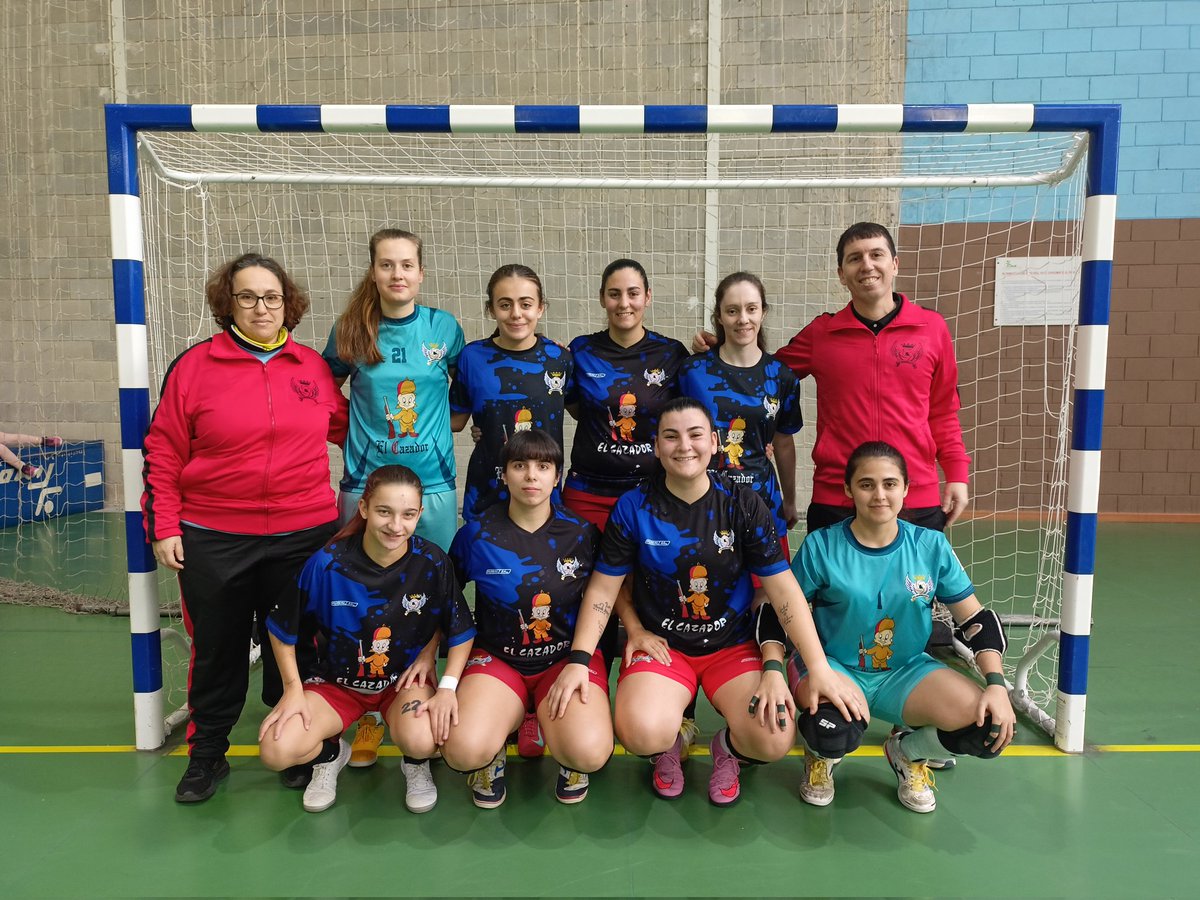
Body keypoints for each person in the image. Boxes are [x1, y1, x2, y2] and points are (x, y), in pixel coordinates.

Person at [545, 398, 865, 807]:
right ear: (656, 446)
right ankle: (668, 744)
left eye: (695, 435)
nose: (684, 446)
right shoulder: (633, 506)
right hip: (664, 649)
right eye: (671, 436)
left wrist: (817, 667)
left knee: (772, 738)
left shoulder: (743, 503)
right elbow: (604, 590)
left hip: (731, 647)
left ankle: (727, 749)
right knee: (641, 731)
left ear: (714, 442)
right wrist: (578, 659)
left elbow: (783, 591)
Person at [141, 252, 348, 803]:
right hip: (214, 534)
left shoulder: (311, 367)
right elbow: (163, 450)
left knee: (300, 646)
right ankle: (208, 752)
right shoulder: (194, 367)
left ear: (288, 303)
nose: (261, 307)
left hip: (304, 533)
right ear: (227, 303)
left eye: (272, 297)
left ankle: (297, 741)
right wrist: (164, 524)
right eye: (248, 296)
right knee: (218, 648)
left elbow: (350, 428)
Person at [693, 222, 970, 535]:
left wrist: (957, 474)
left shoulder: (931, 329)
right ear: (841, 274)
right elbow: (762, 372)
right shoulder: (822, 334)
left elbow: (943, 412)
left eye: (876, 254)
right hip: (836, 497)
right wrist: (722, 352)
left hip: (914, 495)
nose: (867, 265)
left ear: (894, 264)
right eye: (855, 258)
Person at [786, 441, 1015, 814]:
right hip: (836, 668)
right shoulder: (821, 546)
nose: (879, 495)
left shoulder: (930, 546)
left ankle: (908, 753)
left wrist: (997, 685)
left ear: (906, 488)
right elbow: (783, 612)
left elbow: (976, 621)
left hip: (905, 673)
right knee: (831, 730)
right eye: (867, 484)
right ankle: (820, 757)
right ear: (848, 489)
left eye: (890, 484)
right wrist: (780, 668)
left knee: (989, 725)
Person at [322, 228, 465, 768]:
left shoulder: (444, 328)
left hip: (433, 486)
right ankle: (367, 713)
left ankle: (427, 694)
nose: (397, 274)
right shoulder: (351, 330)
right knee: (366, 597)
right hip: (366, 484)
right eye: (386, 265)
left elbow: (462, 394)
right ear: (374, 272)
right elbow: (321, 389)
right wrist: (352, 433)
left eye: (406, 265)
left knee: (432, 590)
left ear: (421, 273)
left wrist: (447, 429)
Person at [258, 465, 476, 814]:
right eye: (384, 512)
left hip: (401, 685)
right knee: (276, 750)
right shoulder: (327, 563)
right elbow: (281, 628)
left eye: (408, 514)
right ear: (363, 508)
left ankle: (415, 763)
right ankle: (331, 755)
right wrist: (293, 689)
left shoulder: (432, 562)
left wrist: (447, 686)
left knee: (424, 739)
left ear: (420, 513)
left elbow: (460, 628)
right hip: (336, 685)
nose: (395, 525)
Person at [560, 258, 697, 757]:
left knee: (654, 591)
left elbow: (692, 411)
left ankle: (675, 713)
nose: (624, 303)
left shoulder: (672, 354)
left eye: (633, 293)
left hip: (649, 495)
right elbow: (573, 406)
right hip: (588, 492)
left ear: (647, 297)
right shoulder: (580, 352)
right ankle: (586, 699)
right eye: (615, 293)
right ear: (602, 298)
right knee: (588, 593)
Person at [441, 429, 611, 807]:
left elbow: (604, 596)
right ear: (504, 475)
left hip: (564, 660)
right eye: (519, 465)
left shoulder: (582, 534)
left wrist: (581, 659)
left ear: (557, 476)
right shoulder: (477, 535)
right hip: (499, 661)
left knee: (588, 751)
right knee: (464, 750)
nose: (531, 475)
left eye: (543, 466)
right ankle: (497, 743)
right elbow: (445, 601)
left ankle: (563, 749)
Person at [677, 271, 804, 561]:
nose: (743, 319)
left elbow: (783, 442)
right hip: (703, 502)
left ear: (763, 312)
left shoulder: (781, 376)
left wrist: (790, 500)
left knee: (767, 584)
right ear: (719, 317)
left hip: (762, 500)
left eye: (751, 309)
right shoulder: (692, 371)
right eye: (732, 311)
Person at [450, 264, 573, 522]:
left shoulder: (560, 358)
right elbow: (455, 421)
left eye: (525, 304)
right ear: (491, 309)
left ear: (540, 308)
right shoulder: (472, 357)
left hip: (542, 494)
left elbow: (585, 412)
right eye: (505, 305)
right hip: (487, 492)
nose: (516, 314)